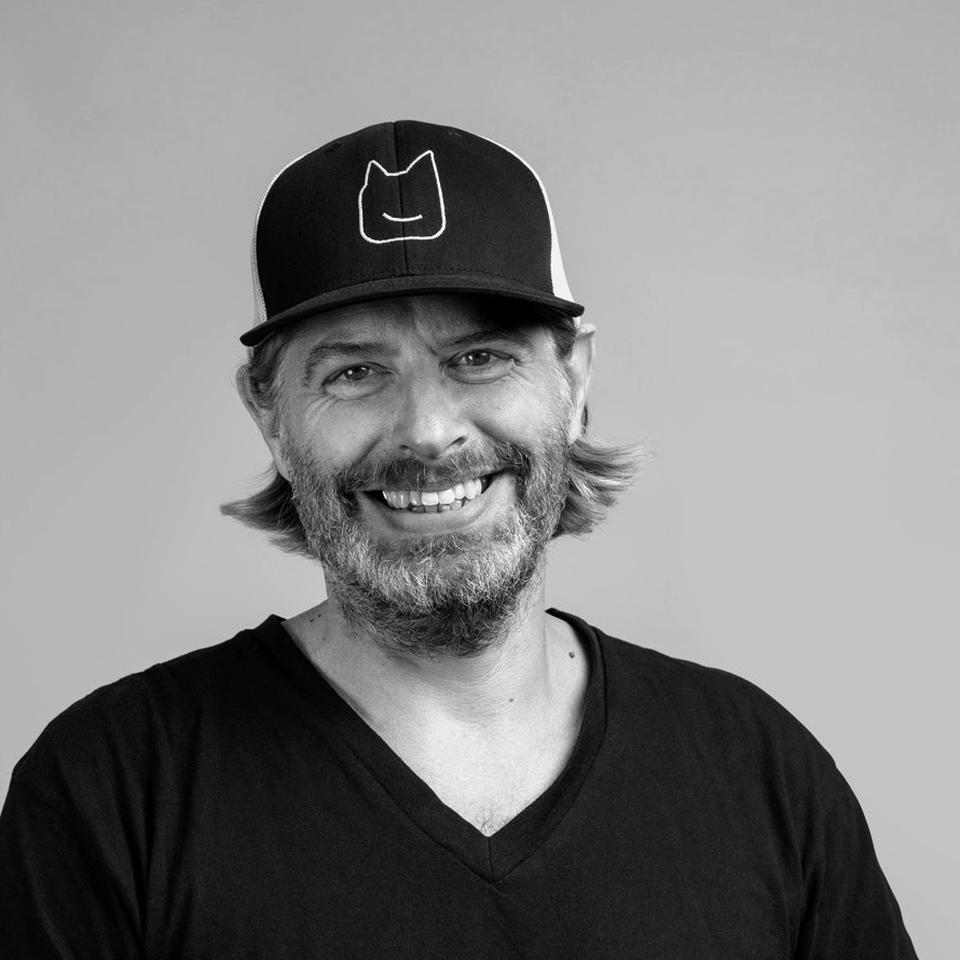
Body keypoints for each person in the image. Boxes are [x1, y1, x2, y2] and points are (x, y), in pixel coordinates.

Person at [0, 120, 917, 959]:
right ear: (270, 415)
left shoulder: (754, 770)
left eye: (479, 358)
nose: (429, 432)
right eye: (355, 372)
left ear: (574, 379)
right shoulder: (115, 792)